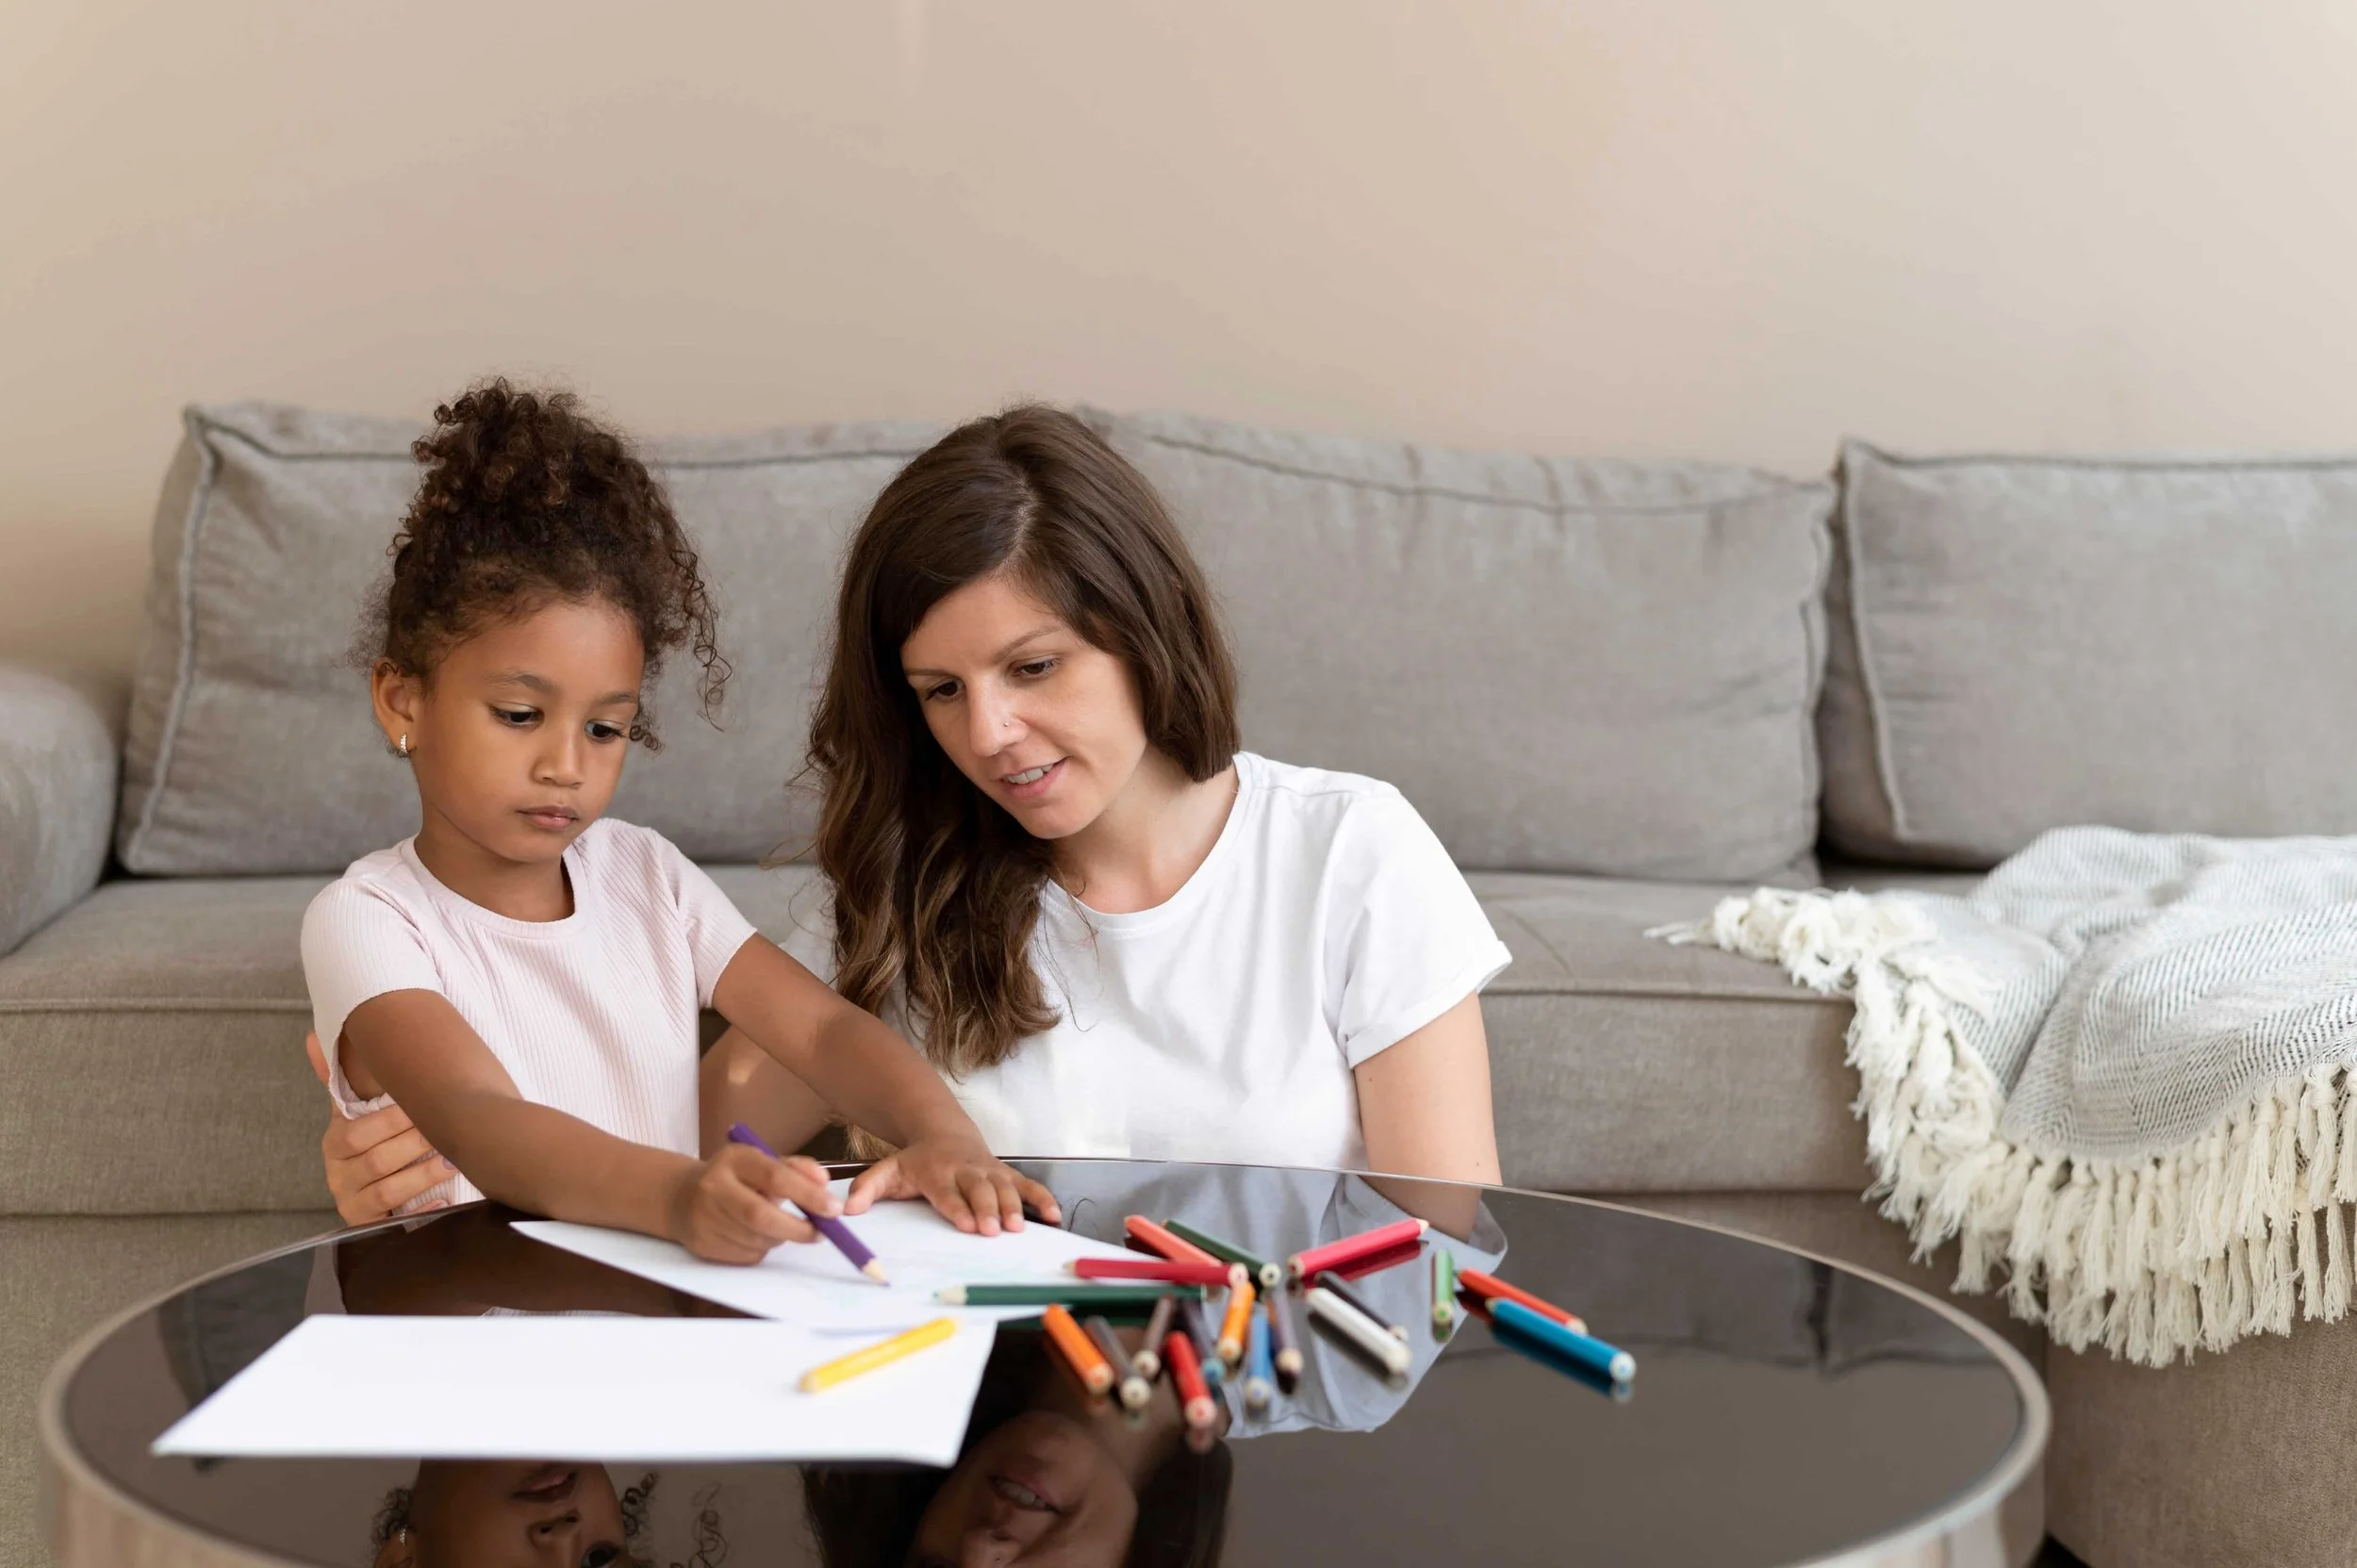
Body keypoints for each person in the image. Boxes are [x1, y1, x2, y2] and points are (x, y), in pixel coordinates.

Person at [318, 404, 1506, 1224]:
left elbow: (1445, 1250)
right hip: (992, 1445)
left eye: (1033, 668)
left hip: (1269, 1427)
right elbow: (690, 1151)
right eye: (942, 691)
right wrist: (427, 1162)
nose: (985, 733)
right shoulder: (912, 897)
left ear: (1143, 632)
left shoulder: (1351, 852)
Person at [303, 381, 1054, 1258]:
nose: (565, 764)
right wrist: (682, 1195)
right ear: (402, 700)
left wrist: (943, 1134)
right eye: (518, 714)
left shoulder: (646, 874)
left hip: (655, 1310)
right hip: (472, 1324)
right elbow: (481, 1118)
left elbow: (817, 1027)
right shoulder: (366, 918)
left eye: (606, 728)